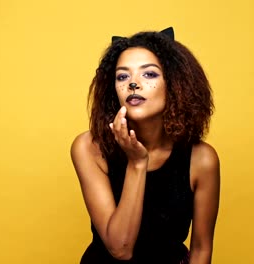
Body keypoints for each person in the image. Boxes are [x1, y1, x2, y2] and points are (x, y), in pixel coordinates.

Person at [70, 27, 220, 264]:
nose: (133, 84)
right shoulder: (89, 148)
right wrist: (137, 163)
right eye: (122, 76)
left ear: (175, 85)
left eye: (149, 74)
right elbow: (120, 249)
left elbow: (201, 250)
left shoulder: (201, 159)